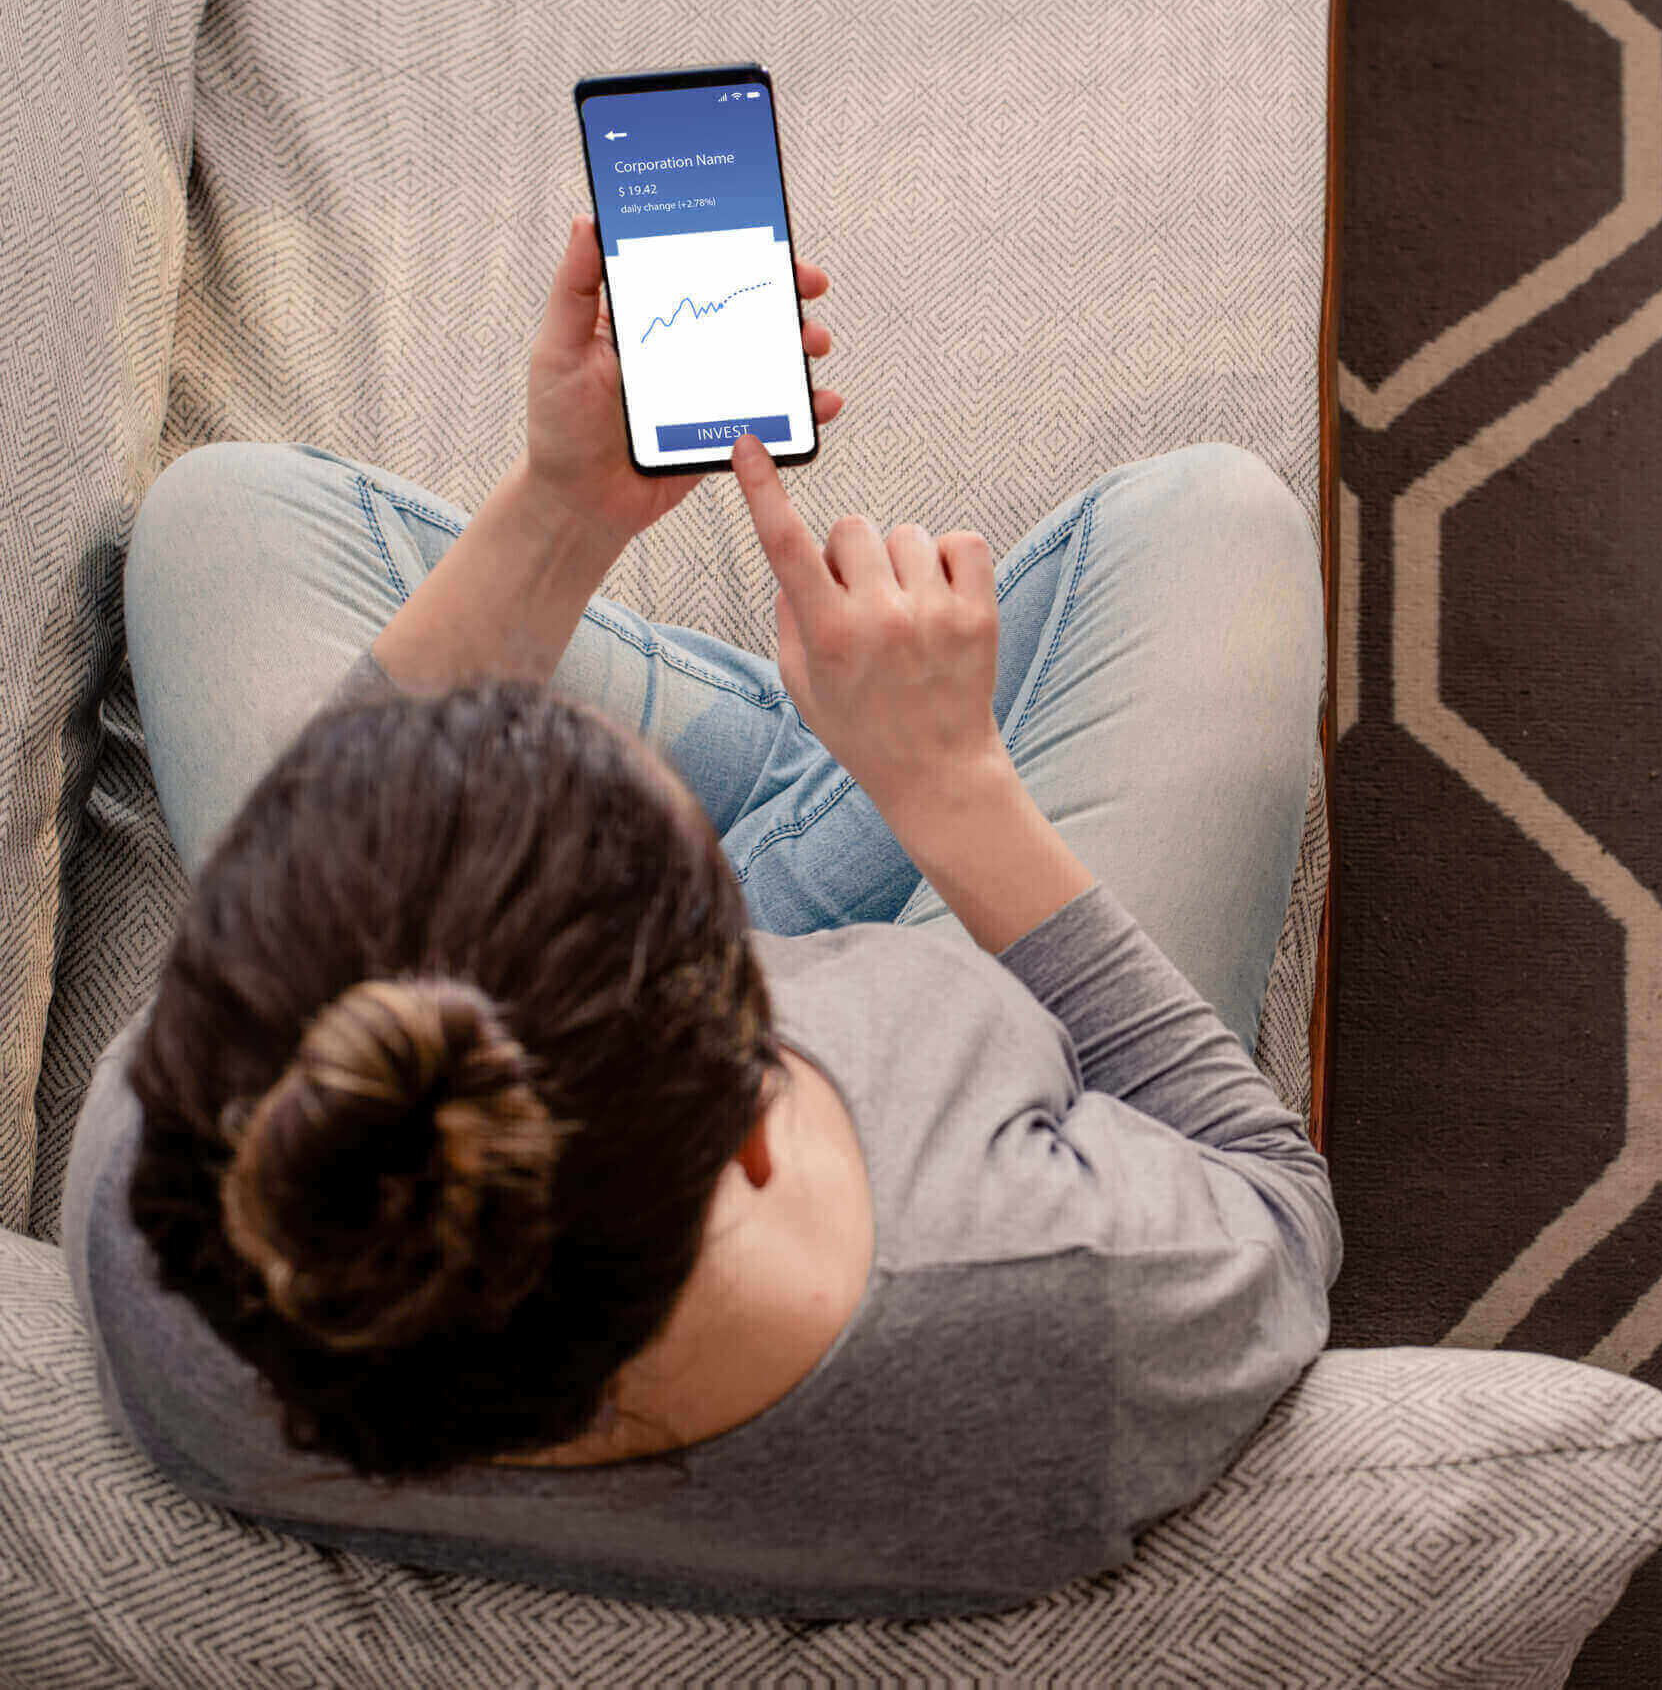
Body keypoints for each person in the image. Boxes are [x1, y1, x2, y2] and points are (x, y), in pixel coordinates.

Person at [61, 216, 1337, 1620]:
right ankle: (840, 754)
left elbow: (314, 835)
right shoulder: (1034, 1304)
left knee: (218, 521)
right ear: (760, 1081)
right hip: (952, 974)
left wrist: (565, 512)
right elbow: (1268, 1199)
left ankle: (815, 749)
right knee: (1211, 520)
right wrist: (950, 787)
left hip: (615, 1063)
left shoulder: (172, 1205)